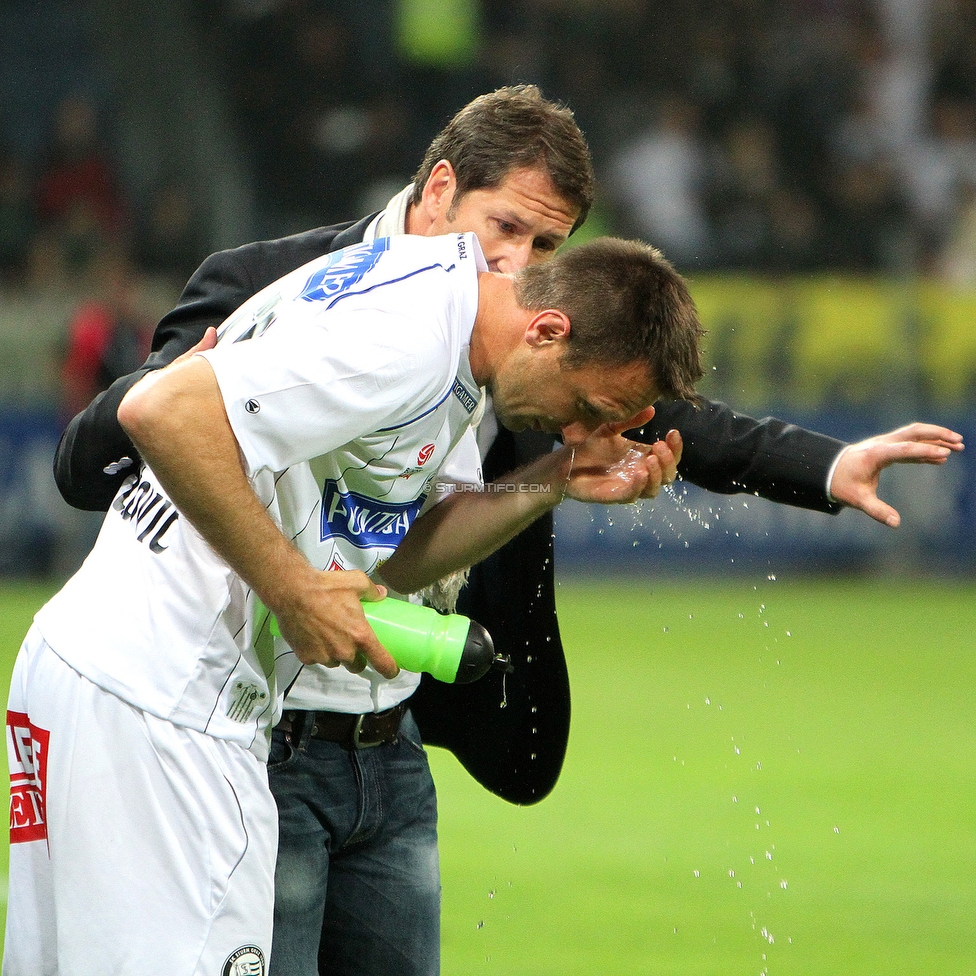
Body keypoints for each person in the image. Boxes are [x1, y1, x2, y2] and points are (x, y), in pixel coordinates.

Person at [49, 86, 963, 974]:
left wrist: (578, 472)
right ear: (439, 188)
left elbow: (597, 434)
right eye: (508, 229)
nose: (520, 263)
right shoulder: (363, 309)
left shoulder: (473, 341)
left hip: (359, 731)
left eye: (547, 244)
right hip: (209, 715)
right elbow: (145, 423)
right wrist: (285, 571)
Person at [5, 229, 705, 974]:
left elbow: (394, 559)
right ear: (547, 329)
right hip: (168, 709)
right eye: (591, 405)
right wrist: (294, 591)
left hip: (94, 668)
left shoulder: (441, 297)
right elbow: (161, 410)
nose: (580, 428)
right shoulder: (411, 344)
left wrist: (556, 476)